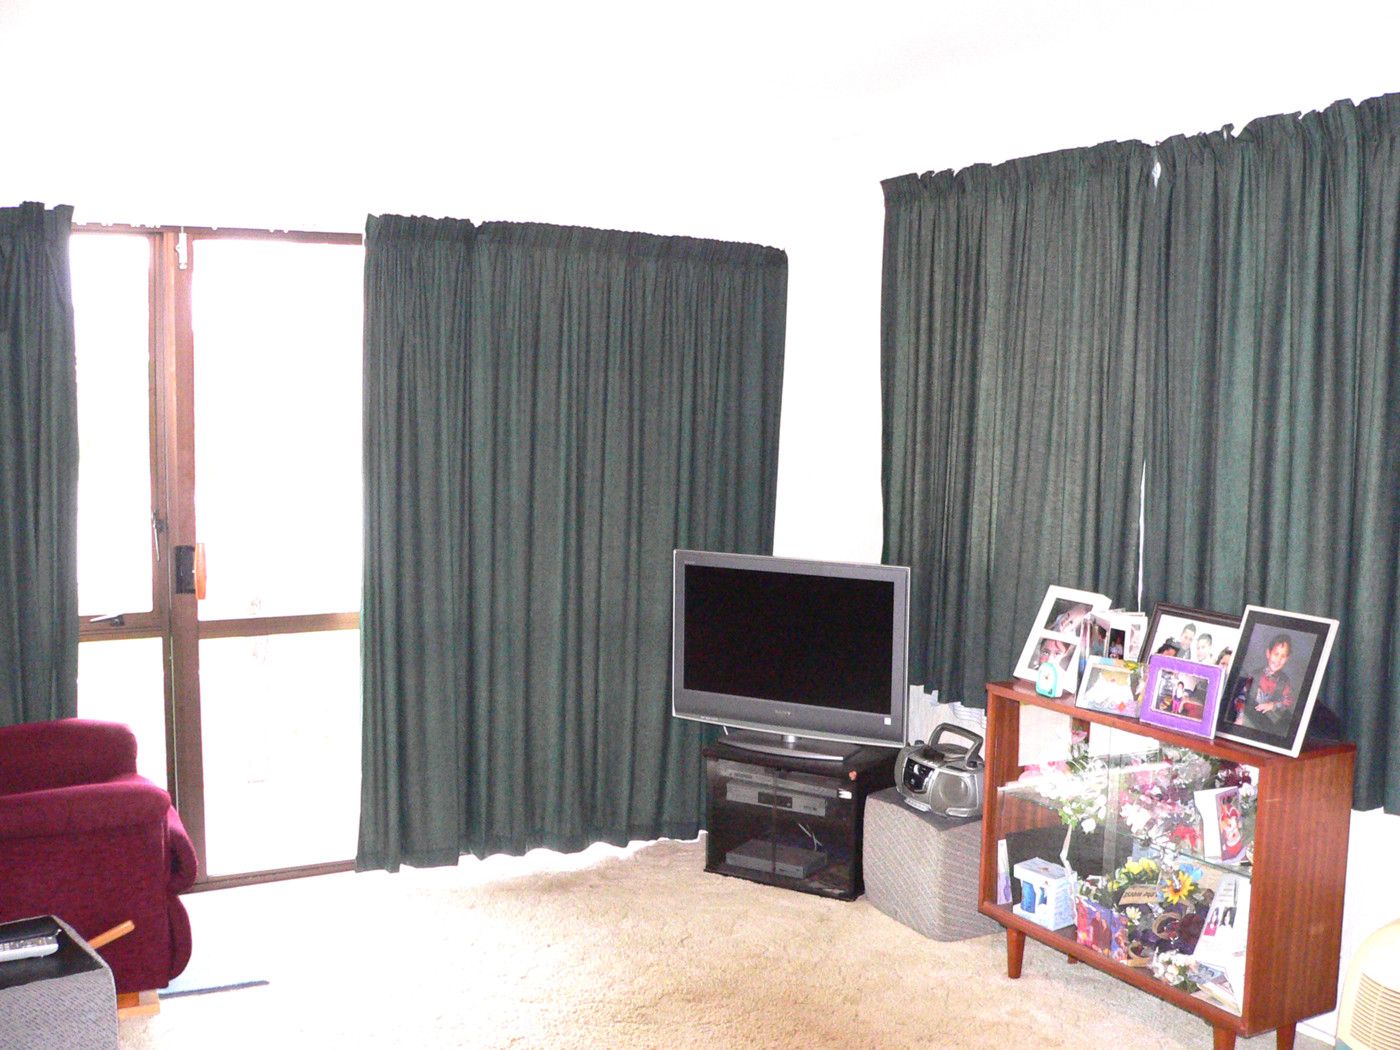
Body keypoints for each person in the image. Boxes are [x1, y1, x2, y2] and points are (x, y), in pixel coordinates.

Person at [1234, 634, 1297, 731]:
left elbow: (1288, 702)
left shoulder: (1285, 682)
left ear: (1287, 659)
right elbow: (1241, 697)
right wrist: (1240, 717)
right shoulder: (1254, 675)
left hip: (1268, 725)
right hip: (1248, 720)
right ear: (1268, 653)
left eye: (1283, 656)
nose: (1278, 660)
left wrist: (1273, 705)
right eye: (1276, 654)